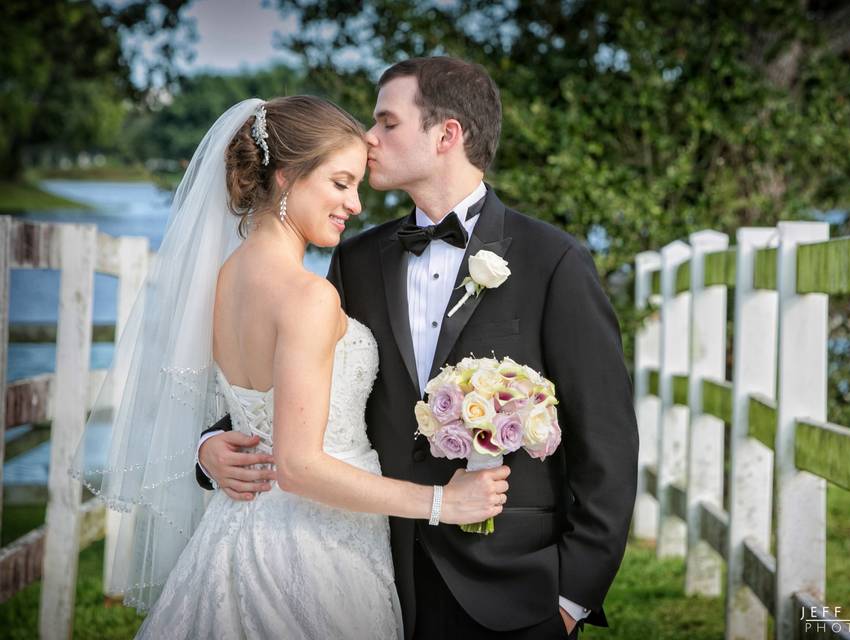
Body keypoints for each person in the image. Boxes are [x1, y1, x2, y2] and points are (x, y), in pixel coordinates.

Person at [199, 58, 639, 639]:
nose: (367, 137)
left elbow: (606, 439)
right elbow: (303, 386)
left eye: (386, 122)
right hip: (379, 568)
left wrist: (572, 597)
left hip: (515, 587)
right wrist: (210, 445)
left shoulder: (552, 261)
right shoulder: (355, 260)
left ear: (446, 135)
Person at [72, 95, 509, 640]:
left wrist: (208, 450)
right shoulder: (307, 297)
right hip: (312, 550)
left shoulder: (223, 281)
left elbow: (248, 414)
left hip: (234, 532)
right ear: (285, 177)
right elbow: (300, 466)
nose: (354, 204)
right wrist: (445, 502)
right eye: (340, 183)